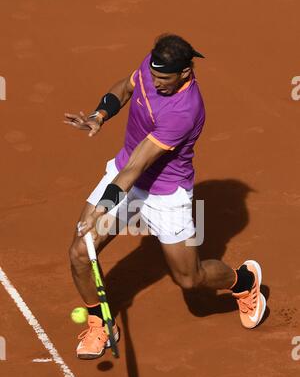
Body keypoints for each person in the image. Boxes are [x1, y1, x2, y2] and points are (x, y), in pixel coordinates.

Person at [64, 34, 266, 360]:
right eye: (154, 76)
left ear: (185, 72)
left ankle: (243, 281)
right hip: (124, 175)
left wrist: (100, 208)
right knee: (79, 252)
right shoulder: (152, 67)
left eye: (164, 80)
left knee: (189, 278)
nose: (156, 84)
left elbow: (135, 168)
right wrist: (99, 116)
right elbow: (126, 88)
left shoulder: (184, 110)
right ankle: (100, 321)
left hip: (165, 193)